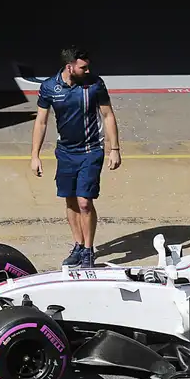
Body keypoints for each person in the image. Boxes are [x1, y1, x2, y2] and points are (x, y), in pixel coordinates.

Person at [30, 47, 122, 268]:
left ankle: (89, 250)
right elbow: (41, 122)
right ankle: (78, 245)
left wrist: (114, 149)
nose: (88, 70)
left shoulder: (95, 84)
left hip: (91, 151)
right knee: (70, 200)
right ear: (69, 66)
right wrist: (35, 155)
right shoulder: (50, 87)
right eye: (83, 67)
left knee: (84, 202)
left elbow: (108, 115)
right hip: (65, 153)